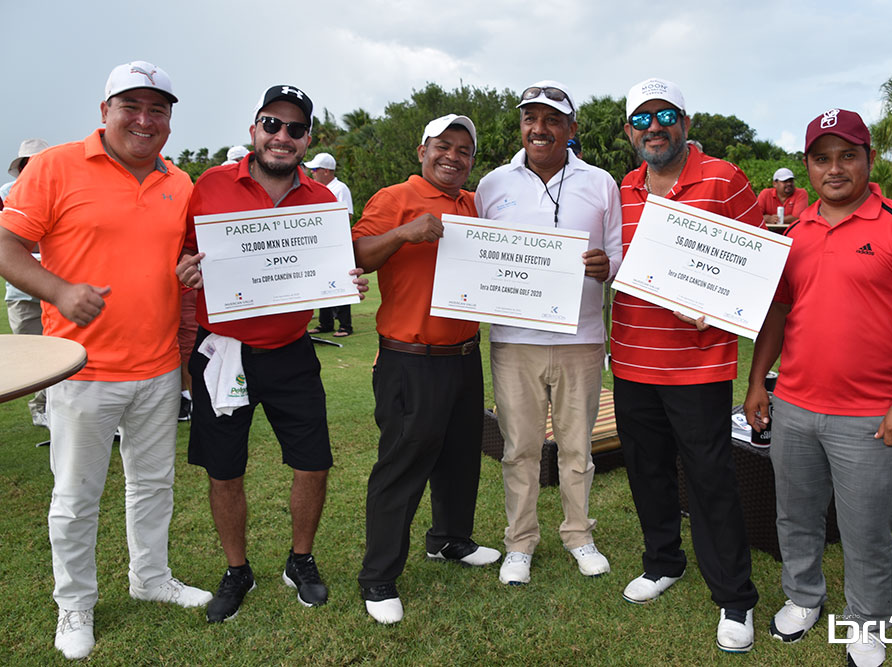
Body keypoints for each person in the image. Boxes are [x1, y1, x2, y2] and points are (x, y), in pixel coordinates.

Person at [0, 60, 211, 661]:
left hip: (157, 366)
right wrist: (59, 291)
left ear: (169, 119)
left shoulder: (180, 181)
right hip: (79, 368)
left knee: (152, 486)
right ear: (105, 111)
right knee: (75, 496)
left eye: (158, 109)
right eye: (131, 107)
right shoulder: (54, 166)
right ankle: (75, 606)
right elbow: (6, 245)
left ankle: (150, 580)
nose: (145, 120)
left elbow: (182, 258)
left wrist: (186, 272)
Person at [743, 108, 892, 667]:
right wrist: (756, 383)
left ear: (868, 159)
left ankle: (867, 621)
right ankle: (803, 596)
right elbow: (779, 314)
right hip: (792, 404)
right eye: (821, 158)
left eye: (847, 156)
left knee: (866, 527)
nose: (833, 168)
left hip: (869, 415)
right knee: (795, 514)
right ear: (808, 166)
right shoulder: (795, 233)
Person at [175, 85, 368, 623]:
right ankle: (238, 570)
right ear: (254, 129)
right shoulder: (209, 186)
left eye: (296, 128)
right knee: (223, 468)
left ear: (308, 140)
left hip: (290, 350)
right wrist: (184, 271)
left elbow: (332, 270)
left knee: (313, 463)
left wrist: (345, 282)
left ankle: (300, 559)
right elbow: (182, 255)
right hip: (224, 354)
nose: (283, 136)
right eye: (272, 124)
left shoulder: (322, 201)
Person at [611, 78, 760, 653]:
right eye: (643, 119)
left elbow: (759, 266)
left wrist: (722, 305)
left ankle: (734, 597)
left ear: (686, 123)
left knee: (710, 478)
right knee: (647, 469)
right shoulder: (623, 187)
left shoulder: (724, 178)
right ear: (629, 132)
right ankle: (662, 561)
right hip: (631, 361)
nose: (655, 127)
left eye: (666, 114)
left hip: (699, 367)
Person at [352, 113, 500, 625]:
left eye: (463, 150)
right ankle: (378, 577)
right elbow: (357, 255)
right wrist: (405, 233)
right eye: (444, 146)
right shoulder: (393, 198)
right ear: (422, 150)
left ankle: (450, 539)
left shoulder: (473, 203)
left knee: (461, 457)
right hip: (410, 359)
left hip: (463, 355)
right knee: (402, 464)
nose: (452, 157)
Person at [475, 80, 622, 585]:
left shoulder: (601, 182)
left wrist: (607, 266)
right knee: (519, 447)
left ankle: (579, 534)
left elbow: (619, 256)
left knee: (578, 446)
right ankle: (520, 542)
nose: (539, 129)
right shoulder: (492, 185)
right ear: (521, 126)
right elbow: (478, 259)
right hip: (514, 341)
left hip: (581, 338)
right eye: (530, 119)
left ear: (570, 128)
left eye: (552, 119)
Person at [2, 138, 51, 427]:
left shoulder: (61, 192)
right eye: (29, 163)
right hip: (21, 291)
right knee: (32, 353)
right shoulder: (8, 194)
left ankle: (53, 406)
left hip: (59, 289)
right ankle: (40, 407)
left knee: (63, 351)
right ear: (21, 167)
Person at [304, 152, 355, 336]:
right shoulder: (318, 189)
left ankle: (345, 325)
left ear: (326, 171)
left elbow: (347, 215)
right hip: (321, 244)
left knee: (341, 283)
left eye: (315, 170)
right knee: (322, 283)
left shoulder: (339, 188)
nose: (312, 174)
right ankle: (325, 323)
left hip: (336, 244)